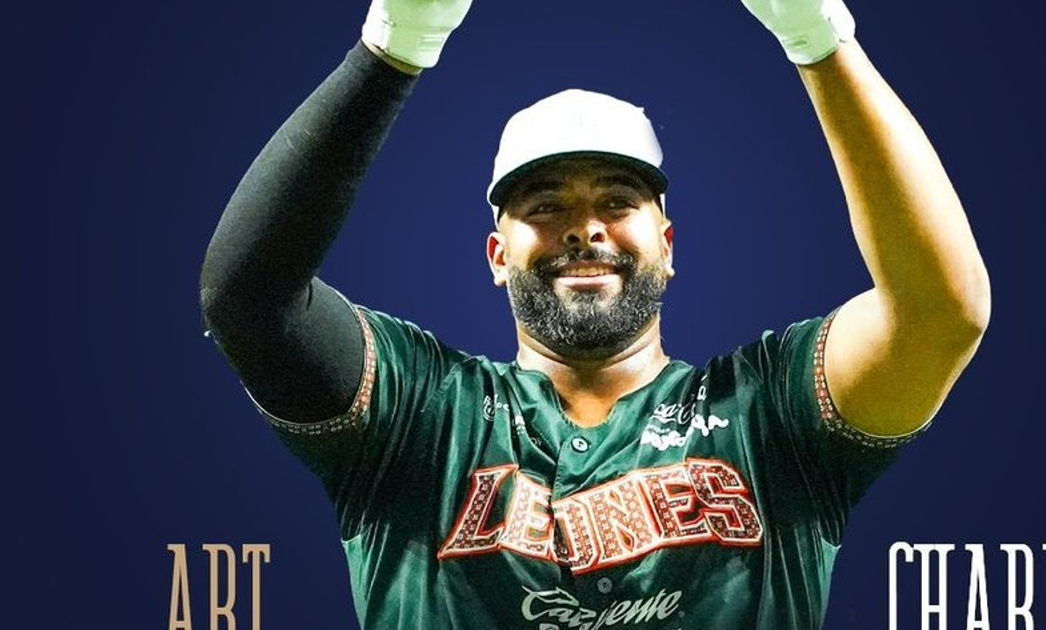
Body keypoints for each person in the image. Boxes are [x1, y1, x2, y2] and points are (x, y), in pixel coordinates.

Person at [200, 0, 990, 628]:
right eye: (546, 205)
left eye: (618, 200)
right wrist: (398, 38)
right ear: (496, 254)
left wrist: (816, 31)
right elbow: (248, 299)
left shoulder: (767, 413)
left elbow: (941, 313)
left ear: (669, 245)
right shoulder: (421, 412)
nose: (586, 226)